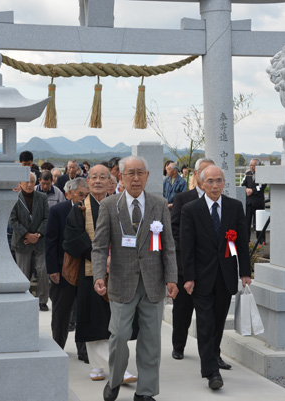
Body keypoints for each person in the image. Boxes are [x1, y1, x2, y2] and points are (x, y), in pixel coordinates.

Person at [92, 155, 178, 401]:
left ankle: (146, 391)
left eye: (141, 172)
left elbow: (168, 246)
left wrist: (171, 277)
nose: (136, 178)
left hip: (153, 282)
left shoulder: (159, 204)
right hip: (121, 281)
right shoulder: (110, 205)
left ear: (148, 176)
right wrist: (99, 274)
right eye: (130, 173)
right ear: (120, 176)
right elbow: (99, 246)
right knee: (118, 335)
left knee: (151, 340)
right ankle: (116, 379)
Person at [180, 165, 252, 390]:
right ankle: (211, 371)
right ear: (201, 183)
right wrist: (188, 277)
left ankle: (213, 354)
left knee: (218, 321)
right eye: (210, 181)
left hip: (226, 275)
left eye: (218, 181)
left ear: (224, 183)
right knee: (205, 323)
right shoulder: (191, 210)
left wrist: (245, 272)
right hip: (201, 278)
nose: (214, 185)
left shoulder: (234, 207)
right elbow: (187, 246)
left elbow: (241, 242)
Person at [64, 165, 137, 383]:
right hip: (90, 272)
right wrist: (100, 259)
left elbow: (131, 233)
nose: (97, 181)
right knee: (92, 319)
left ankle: (97, 367)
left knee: (114, 320)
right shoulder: (79, 208)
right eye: (93, 177)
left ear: (110, 182)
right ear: (87, 181)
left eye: (102, 177)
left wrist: (116, 258)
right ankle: (116, 367)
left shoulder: (121, 206)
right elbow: (74, 239)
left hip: (118, 270)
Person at [169, 158, 216, 362]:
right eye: (205, 174)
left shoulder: (219, 200)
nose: (210, 180)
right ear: (196, 175)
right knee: (182, 310)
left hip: (211, 266)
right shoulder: (182, 198)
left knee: (211, 314)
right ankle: (178, 345)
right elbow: (175, 229)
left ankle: (213, 353)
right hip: (185, 264)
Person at [45, 178, 89, 362]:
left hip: (85, 268)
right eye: (81, 195)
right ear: (69, 193)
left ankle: (84, 350)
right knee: (61, 312)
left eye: (86, 195)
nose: (84, 199)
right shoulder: (57, 211)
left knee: (85, 312)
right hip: (62, 270)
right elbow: (50, 241)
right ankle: (58, 346)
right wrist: (52, 269)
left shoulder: (91, 211)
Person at [9, 172, 50, 311]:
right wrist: (27, 235)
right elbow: (13, 220)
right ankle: (22, 298)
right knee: (23, 272)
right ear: (19, 183)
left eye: (32, 181)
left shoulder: (42, 197)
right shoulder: (14, 198)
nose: (29, 184)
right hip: (22, 241)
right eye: (26, 181)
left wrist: (37, 234)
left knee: (43, 270)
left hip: (39, 241)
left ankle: (42, 300)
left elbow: (47, 218)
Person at [241, 158, 267, 239]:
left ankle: (261, 240)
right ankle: (246, 239)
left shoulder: (262, 174)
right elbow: (242, 184)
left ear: (258, 166)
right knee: (247, 222)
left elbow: (262, 186)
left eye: (254, 165)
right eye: (251, 165)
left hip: (258, 202)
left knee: (259, 222)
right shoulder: (247, 173)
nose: (252, 167)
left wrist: (252, 190)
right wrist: (246, 190)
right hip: (248, 202)